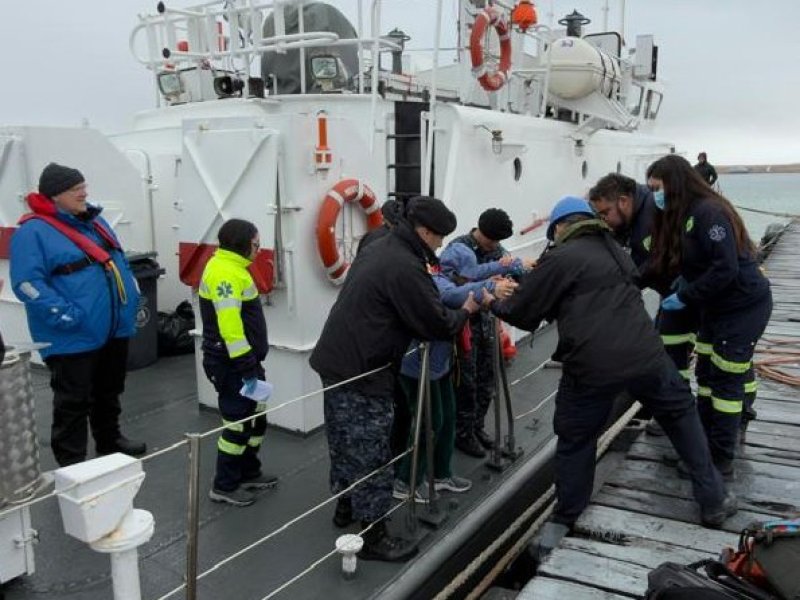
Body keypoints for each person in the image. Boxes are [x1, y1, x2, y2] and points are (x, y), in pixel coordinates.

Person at [492, 195, 736, 529]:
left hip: (592, 365)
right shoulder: (616, 251)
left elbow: (522, 312)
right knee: (681, 415)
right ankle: (714, 500)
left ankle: (565, 521)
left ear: (561, 227)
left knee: (577, 439)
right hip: (647, 356)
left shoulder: (561, 256)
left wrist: (492, 299)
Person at [310, 196, 480, 562]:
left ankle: (345, 506)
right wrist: (466, 309)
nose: (439, 245)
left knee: (342, 441)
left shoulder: (378, 243)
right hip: (363, 370)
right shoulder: (405, 265)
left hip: (336, 360)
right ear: (424, 232)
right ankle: (374, 537)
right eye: (438, 238)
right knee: (372, 452)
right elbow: (436, 324)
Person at [10, 163, 146, 467]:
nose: (84, 192)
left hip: (112, 327)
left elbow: (117, 259)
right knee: (73, 402)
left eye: (83, 186)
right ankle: (73, 464)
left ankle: (110, 442)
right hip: (72, 334)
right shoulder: (33, 232)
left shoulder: (96, 224)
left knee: (109, 390)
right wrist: (66, 316)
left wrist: (132, 295)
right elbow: (27, 284)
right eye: (75, 189)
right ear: (55, 195)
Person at [646, 154, 772, 477]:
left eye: (656, 187)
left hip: (742, 307)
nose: (654, 195)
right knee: (706, 375)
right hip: (716, 307)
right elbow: (701, 261)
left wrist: (685, 294)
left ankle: (720, 459)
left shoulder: (708, 213)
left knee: (726, 383)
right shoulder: (686, 215)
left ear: (674, 184)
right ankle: (700, 449)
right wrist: (685, 279)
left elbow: (725, 267)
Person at [589, 173, 700, 437]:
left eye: (605, 212)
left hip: (691, 297)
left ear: (624, 202)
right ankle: (677, 413)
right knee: (671, 353)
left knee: (708, 362)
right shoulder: (634, 218)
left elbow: (655, 264)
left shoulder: (650, 220)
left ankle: (693, 418)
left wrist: (624, 289)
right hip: (675, 297)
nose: (604, 218)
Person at [393, 273, 514, 503]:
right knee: (430, 422)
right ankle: (406, 481)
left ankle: (440, 474)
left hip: (440, 365)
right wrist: (489, 288)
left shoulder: (442, 277)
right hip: (418, 368)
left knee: (448, 417)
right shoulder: (435, 284)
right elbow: (453, 295)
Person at [440, 208, 533, 458]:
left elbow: (511, 273)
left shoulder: (498, 252)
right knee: (466, 382)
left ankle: (477, 426)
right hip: (466, 326)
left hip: (488, 323)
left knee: (487, 379)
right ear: (485, 233)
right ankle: (463, 433)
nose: (496, 245)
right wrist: (486, 284)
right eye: (493, 240)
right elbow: (449, 286)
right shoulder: (457, 250)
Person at [199, 219, 277, 507]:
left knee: (257, 416)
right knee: (237, 425)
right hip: (232, 365)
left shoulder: (235, 268)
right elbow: (230, 328)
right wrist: (247, 369)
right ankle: (224, 485)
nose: (258, 250)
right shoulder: (224, 273)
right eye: (257, 244)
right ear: (244, 245)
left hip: (246, 363)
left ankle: (248, 472)